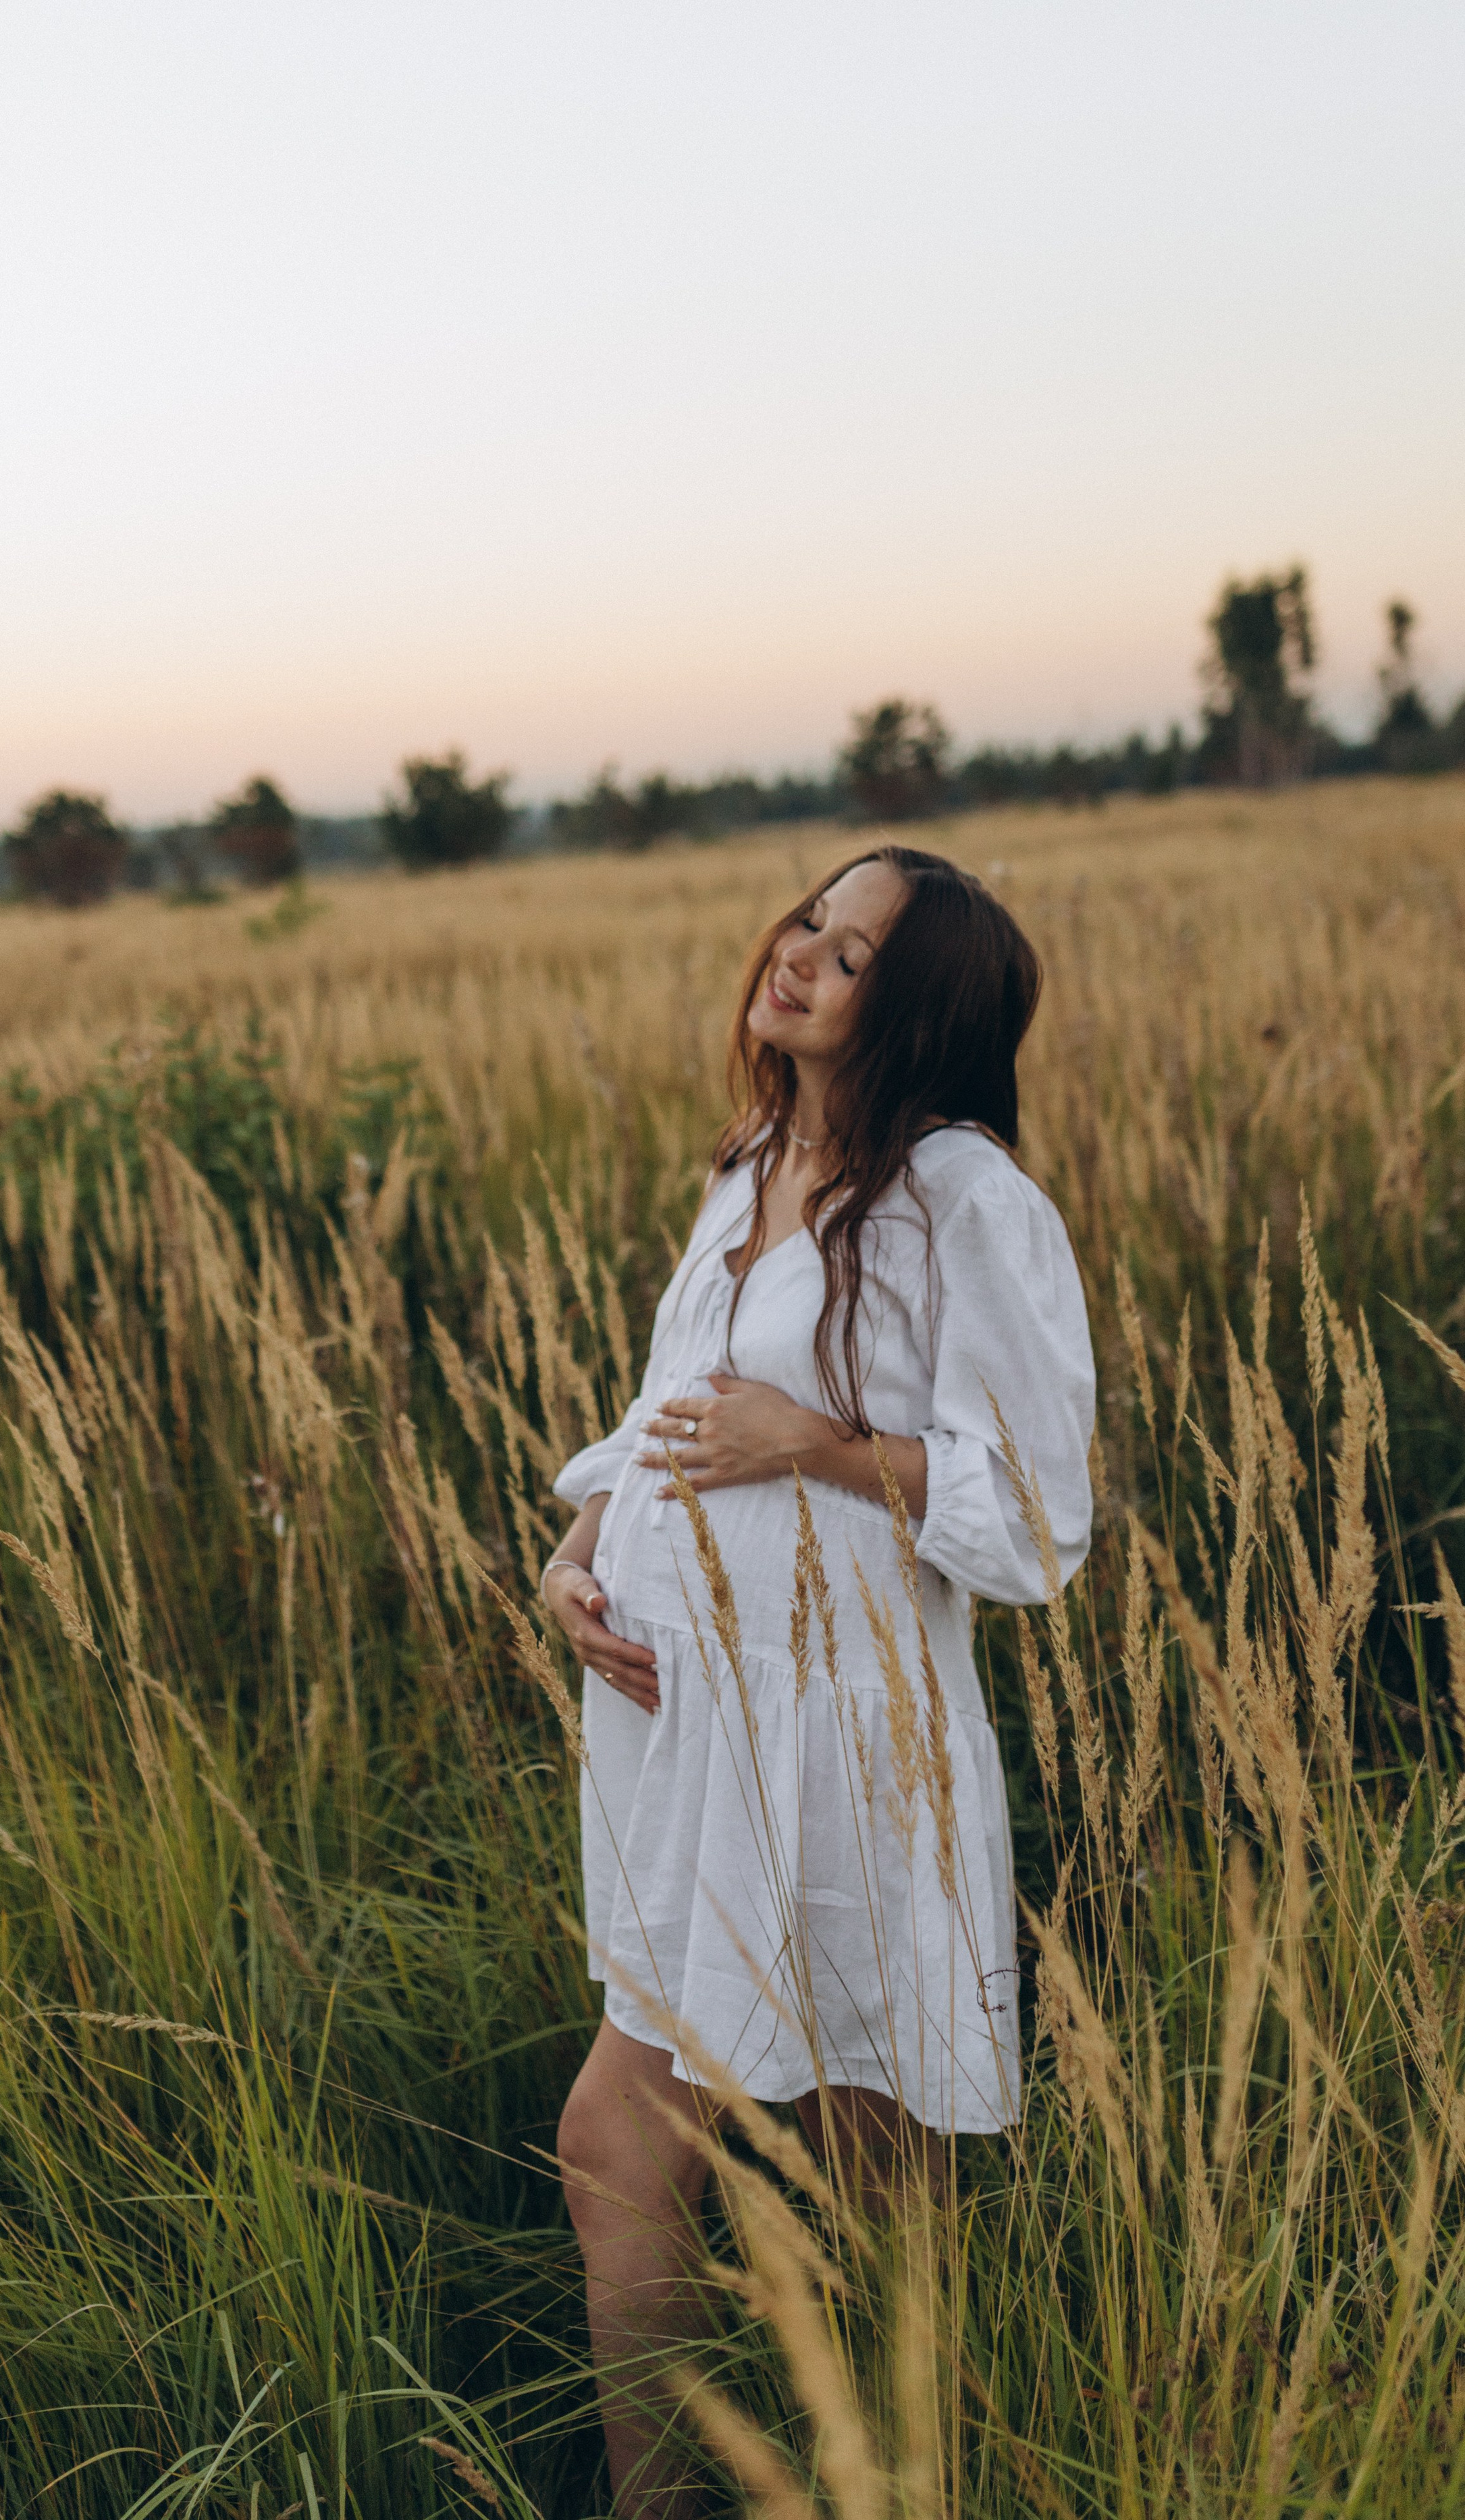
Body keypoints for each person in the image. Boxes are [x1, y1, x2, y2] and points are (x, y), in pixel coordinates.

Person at [543, 847, 1095, 2515]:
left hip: (850, 1738)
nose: (796, 957)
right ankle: (664, 2501)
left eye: (850, 955)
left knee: (873, 2189)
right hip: (686, 1734)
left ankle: (913, 2481)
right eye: (807, 920)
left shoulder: (965, 1202)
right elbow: (664, 1418)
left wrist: (828, 1446)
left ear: (910, 1011)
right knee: (613, 2143)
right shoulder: (752, 1163)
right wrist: (575, 1556)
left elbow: (1034, 1520)